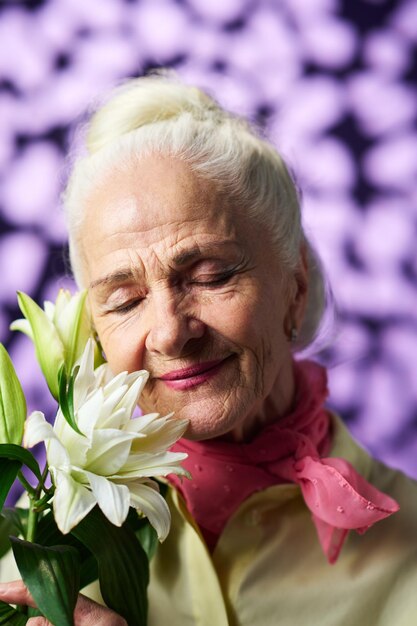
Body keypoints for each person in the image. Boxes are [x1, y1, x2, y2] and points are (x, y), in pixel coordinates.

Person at [2, 74, 417, 625]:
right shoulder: (44, 554)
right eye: (125, 301)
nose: (170, 332)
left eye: (212, 275)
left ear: (295, 287)